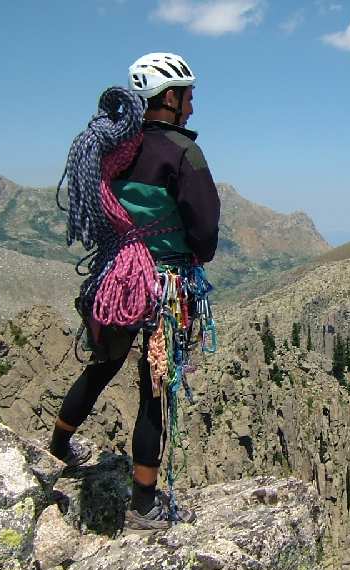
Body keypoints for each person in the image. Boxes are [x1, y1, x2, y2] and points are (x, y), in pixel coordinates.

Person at [49, 52, 221, 530]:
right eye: (188, 97)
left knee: (103, 365)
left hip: (118, 278)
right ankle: (143, 503)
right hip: (164, 286)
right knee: (154, 386)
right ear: (170, 97)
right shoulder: (182, 152)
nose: (192, 106)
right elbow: (204, 227)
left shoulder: (115, 148)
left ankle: (58, 447)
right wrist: (192, 253)